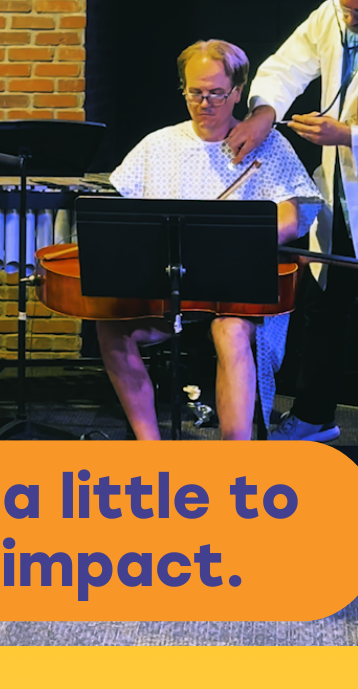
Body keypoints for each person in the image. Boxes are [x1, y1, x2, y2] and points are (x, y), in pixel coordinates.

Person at [228, 0, 358, 489]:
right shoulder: (333, 12)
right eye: (344, 4)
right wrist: (265, 112)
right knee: (323, 311)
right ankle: (314, 416)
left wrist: (348, 135)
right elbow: (287, 64)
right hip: (339, 197)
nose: (349, 18)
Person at [96, 40, 322, 441]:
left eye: (216, 93)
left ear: (238, 92)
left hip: (237, 292)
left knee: (230, 332)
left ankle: (234, 458)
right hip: (168, 288)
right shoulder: (158, 145)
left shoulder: (268, 145)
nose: (205, 103)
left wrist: (232, 242)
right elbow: (126, 216)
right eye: (195, 92)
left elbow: (291, 219)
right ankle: (149, 445)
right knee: (111, 327)